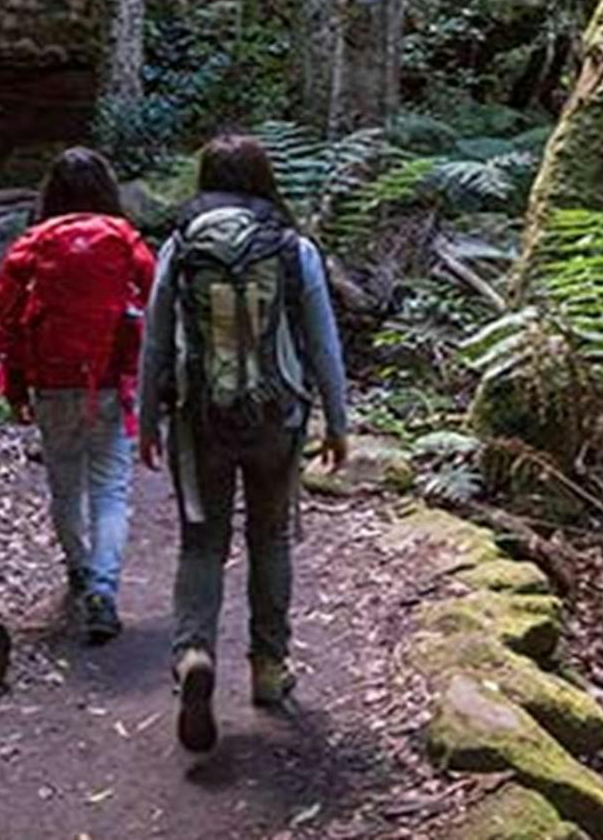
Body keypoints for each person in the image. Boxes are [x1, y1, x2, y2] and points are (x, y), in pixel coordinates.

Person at [138, 133, 350, 753]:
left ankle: (194, 654)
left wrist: (148, 419)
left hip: (199, 418)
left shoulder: (179, 247)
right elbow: (322, 341)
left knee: (202, 543)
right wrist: (337, 421)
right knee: (270, 538)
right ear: (264, 182)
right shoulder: (293, 248)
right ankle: (268, 668)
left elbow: (154, 341)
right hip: (276, 418)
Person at [0, 146, 155, 643]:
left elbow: (4, 319)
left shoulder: (32, 244)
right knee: (110, 488)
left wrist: (13, 386)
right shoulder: (126, 241)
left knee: (65, 484)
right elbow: (155, 305)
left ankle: (79, 570)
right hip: (112, 381)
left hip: (51, 380)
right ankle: (104, 587)